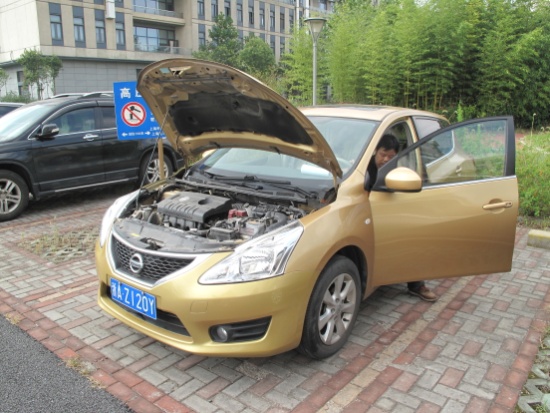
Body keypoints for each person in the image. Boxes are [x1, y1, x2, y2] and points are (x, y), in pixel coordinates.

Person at [367, 134, 438, 302]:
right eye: (383, 154)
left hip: (393, 212)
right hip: (369, 213)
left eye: (391, 156)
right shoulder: (364, 168)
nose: (386, 159)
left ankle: (416, 284)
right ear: (375, 151)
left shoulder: (399, 169)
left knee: (412, 239)